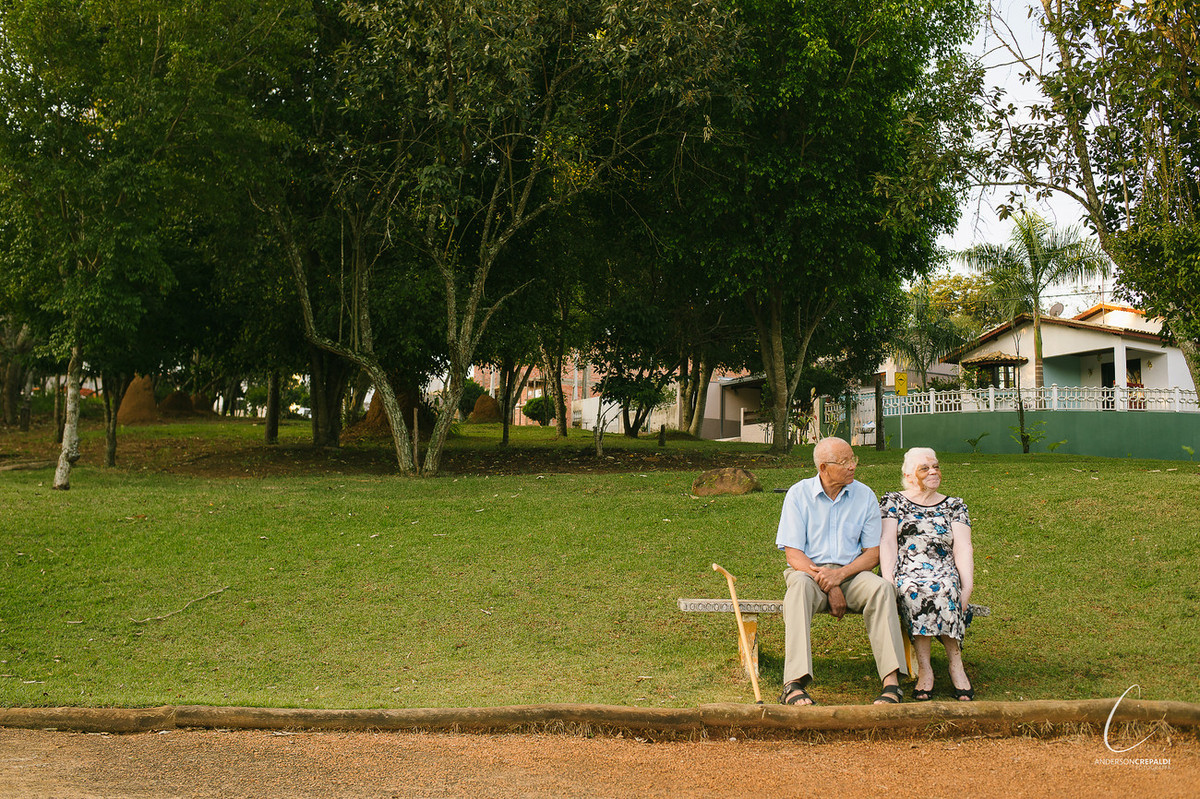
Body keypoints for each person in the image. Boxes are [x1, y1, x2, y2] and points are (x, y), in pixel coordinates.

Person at [776, 437, 908, 705]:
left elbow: (872, 555)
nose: (852, 466)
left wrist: (840, 576)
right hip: (810, 574)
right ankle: (794, 682)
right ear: (823, 468)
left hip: (852, 574)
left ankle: (892, 682)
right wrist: (830, 583)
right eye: (844, 462)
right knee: (798, 587)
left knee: (882, 589)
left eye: (853, 459)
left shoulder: (865, 495)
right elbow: (794, 555)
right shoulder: (798, 495)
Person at [879, 447, 975, 701]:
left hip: (944, 569)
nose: (934, 471)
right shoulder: (893, 501)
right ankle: (925, 668)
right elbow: (887, 542)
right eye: (925, 468)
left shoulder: (955, 505)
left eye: (936, 466)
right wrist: (888, 579)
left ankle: (956, 664)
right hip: (907, 570)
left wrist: (967, 585)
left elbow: (963, 546)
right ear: (909, 476)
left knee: (945, 589)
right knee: (913, 590)